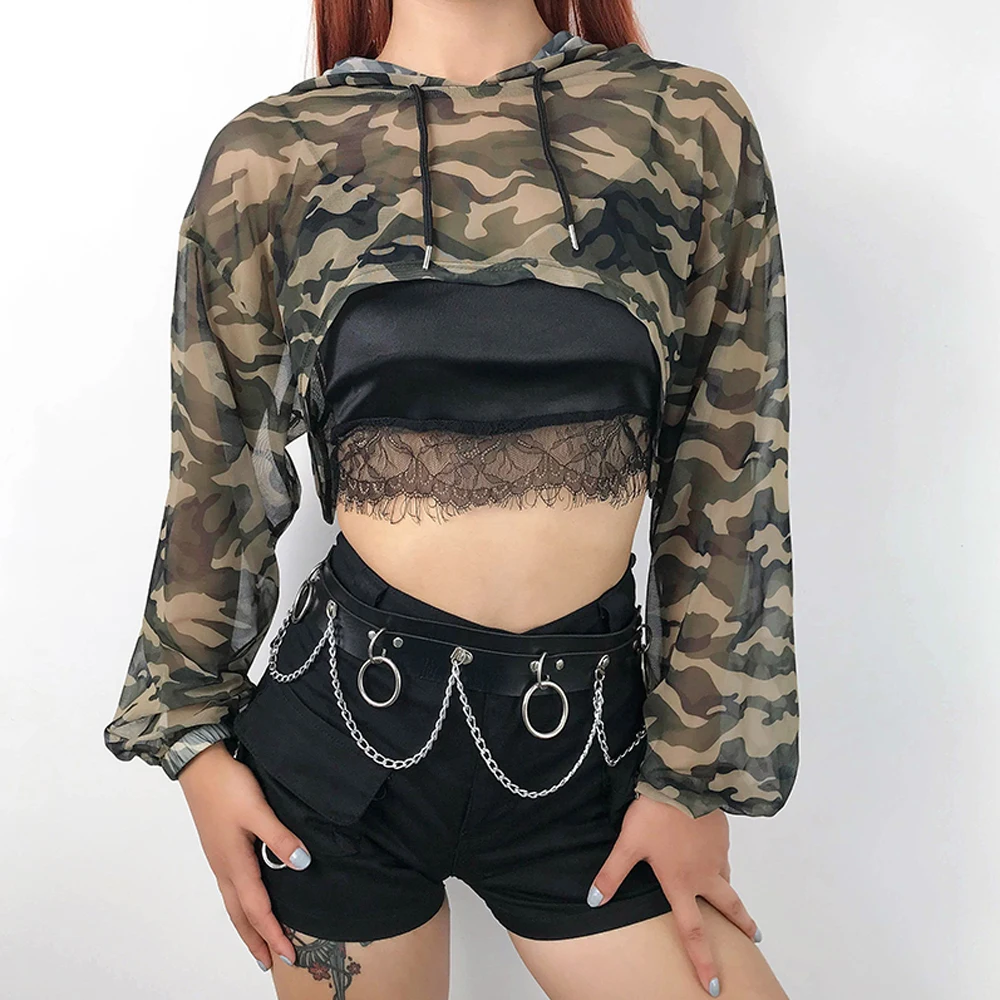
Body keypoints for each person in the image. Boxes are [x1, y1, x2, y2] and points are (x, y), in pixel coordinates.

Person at [102, 1, 798, 997]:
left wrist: (694, 778)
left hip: (594, 763)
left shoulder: (684, 126)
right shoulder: (275, 154)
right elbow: (215, 474)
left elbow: (728, 462)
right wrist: (194, 744)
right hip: (338, 757)